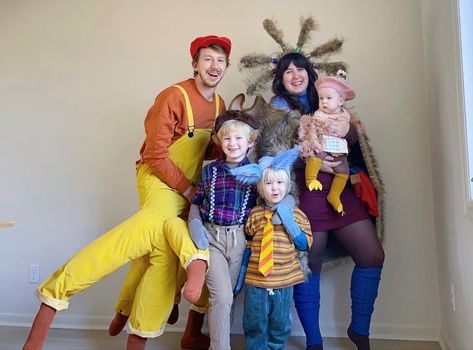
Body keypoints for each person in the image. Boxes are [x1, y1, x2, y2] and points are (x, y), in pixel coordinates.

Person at [23, 34, 231, 350]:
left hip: (189, 189)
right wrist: (188, 189)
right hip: (159, 181)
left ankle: (141, 321)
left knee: (163, 256)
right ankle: (55, 294)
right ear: (195, 64)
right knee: (147, 235)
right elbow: (155, 155)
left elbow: (210, 153)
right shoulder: (173, 97)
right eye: (208, 59)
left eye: (220, 61)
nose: (214, 66)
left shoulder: (220, 104)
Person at [257, 51, 385, 350]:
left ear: (309, 74)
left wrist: (349, 129)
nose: (295, 75)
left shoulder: (327, 100)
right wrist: (310, 162)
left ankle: (360, 329)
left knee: (372, 255)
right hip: (306, 192)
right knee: (309, 263)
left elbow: (353, 142)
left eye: (299, 69)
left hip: (340, 190)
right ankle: (315, 341)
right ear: (280, 79)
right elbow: (272, 155)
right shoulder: (275, 111)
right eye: (287, 71)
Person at [188, 110, 259, 350]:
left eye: (239, 138)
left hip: (240, 239)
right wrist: (195, 224)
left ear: (250, 142)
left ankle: (218, 342)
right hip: (213, 238)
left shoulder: (257, 174)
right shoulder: (210, 171)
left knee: (230, 296)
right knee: (222, 296)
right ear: (219, 141)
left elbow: (268, 203)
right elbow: (197, 200)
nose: (233, 144)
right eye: (227, 138)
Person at [230, 146, 313, 350]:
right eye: (268, 183)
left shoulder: (297, 215)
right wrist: (240, 276)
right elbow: (248, 242)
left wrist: (289, 222)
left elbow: (304, 244)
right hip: (256, 280)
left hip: (284, 280)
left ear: (287, 185)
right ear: (260, 187)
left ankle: (276, 347)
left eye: (279, 183)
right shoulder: (255, 214)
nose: (274, 188)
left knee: (280, 323)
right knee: (254, 321)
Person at [298, 75, 356, 214]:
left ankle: (334, 195)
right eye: (321, 98)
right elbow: (312, 128)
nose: (324, 102)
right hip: (322, 144)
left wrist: (347, 130)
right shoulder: (320, 114)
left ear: (340, 101)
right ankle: (311, 179)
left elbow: (351, 133)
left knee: (344, 170)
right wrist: (315, 143)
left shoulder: (345, 115)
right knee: (317, 155)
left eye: (328, 98)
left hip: (338, 148)